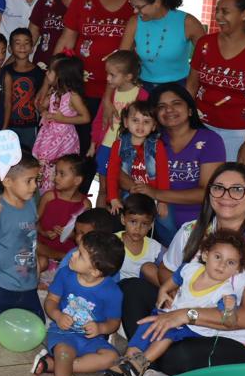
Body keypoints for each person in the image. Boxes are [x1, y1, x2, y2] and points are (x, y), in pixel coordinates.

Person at [120, 164, 245, 376]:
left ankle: (148, 369)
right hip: (180, 327)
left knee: (178, 355)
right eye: (218, 188)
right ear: (209, 193)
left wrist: (185, 314)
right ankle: (147, 365)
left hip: (237, 341)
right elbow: (165, 271)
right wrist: (170, 291)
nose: (226, 196)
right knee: (131, 288)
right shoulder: (193, 230)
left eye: (237, 189)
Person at [108, 229, 245, 376]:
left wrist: (229, 308)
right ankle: (128, 358)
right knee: (148, 324)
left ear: (237, 269)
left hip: (194, 328)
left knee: (166, 333)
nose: (222, 265)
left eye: (231, 263)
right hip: (173, 315)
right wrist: (163, 290)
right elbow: (175, 279)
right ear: (206, 255)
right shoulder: (191, 269)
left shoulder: (224, 292)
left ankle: (141, 363)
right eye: (218, 257)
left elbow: (229, 321)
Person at [54, 0, 134, 154]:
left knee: (113, 151)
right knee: (78, 153)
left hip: (122, 91)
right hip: (81, 90)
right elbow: (66, 40)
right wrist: (49, 81)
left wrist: (110, 97)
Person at [31, 231, 125, 376]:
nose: (73, 254)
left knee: (113, 358)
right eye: (77, 249)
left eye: (80, 254)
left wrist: (101, 328)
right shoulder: (65, 274)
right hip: (64, 333)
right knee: (64, 352)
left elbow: (114, 322)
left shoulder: (113, 292)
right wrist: (58, 316)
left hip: (93, 340)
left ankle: (52, 365)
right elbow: (51, 301)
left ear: (95, 271)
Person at [187, 0, 245, 164]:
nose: (218, 16)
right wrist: (186, 124)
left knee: (228, 183)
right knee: (198, 181)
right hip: (201, 126)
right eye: (217, 10)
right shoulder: (205, 44)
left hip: (237, 133)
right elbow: (191, 86)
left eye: (225, 11)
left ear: (244, 14)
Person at [128, 85, 224, 245]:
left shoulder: (210, 140)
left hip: (199, 223)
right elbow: (121, 171)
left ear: (190, 110)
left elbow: (207, 192)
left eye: (176, 103)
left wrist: (156, 193)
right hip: (157, 219)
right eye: (161, 106)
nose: (169, 110)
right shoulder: (150, 139)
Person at [0, 154, 42, 338]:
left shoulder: (31, 204)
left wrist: (36, 268)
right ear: (7, 181)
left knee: (38, 326)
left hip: (27, 281)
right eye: (29, 181)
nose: (35, 186)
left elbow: (30, 238)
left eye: (36, 180)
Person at [118, 0, 204, 92]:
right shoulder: (135, 22)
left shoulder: (188, 22)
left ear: (157, 3)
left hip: (179, 88)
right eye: (133, 6)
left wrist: (190, 92)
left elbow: (205, 61)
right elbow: (120, 62)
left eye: (139, 7)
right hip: (143, 88)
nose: (135, 11)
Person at [92, 50, 149, 199]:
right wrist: (93, 143)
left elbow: (146, 125)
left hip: (128, 149)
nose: (107, 78)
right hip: (106, 146)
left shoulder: (141, 95)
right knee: (104, 189)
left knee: (122, 189)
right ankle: (101, 220)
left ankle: (120, 220)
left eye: (112, 75)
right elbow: (99, 119)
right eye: (107, 73)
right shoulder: (109, 95)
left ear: (128, 77)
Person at [32, 54, 90, 193]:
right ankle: (43, 194)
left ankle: (54, 193)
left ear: (61, 76)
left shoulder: (72, 96)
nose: (47, 73)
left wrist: (63, 119)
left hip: (63, 138)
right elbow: (41, 105)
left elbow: (85, 118)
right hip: (49, 135)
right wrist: (44, 111)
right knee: (43, 166)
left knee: (57, 167)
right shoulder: (55, 92)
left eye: (50, 71)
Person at [29, 0, 93, 69]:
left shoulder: (95, 6)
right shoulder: (46, 1)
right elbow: (30, 40)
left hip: (78, 74)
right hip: (42, 68)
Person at [106, 101, 169, 216]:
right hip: (128, 192)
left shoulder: (157, 145)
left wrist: (162, 201)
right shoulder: (118, 145)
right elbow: (112, 173)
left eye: (146, 122)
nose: (140, 126)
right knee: (124, 216)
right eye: (135, 120)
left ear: (154, 125)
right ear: (126, 122)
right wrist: (113, 198)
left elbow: (163, 174)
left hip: (152, 194)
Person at [36, 153, 93, 273]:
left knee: (81, 255)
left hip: (68, 249)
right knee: (33, 245)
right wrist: (44, 232)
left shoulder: (85, 204)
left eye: (62, 174)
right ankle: (61, 258)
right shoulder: (49, 197)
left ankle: (62, 259)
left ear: (77, 180)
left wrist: (71, 235)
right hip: (43, 246)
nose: (56, 178)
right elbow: (33, 223)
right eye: (56, 173)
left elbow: (86, 236)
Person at [6, 28, 45, 149]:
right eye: (17, 43)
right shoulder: (5, 72)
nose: (22, 47)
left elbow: (41, 98)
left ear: (32, 47)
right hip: (8, 125)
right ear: (10, 48)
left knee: (29, 157)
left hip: (30, 126)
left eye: (26, 43)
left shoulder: (38, 73)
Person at [115, 193, 163, 286]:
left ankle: (170, 295)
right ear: (123, 219)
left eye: (144, 224)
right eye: (133, 222)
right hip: (119, 289)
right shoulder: (112, 241)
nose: (138, 228)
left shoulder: (154, 247)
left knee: (149, 268)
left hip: (144, 292)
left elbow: (172, 263)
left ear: (150, 225)